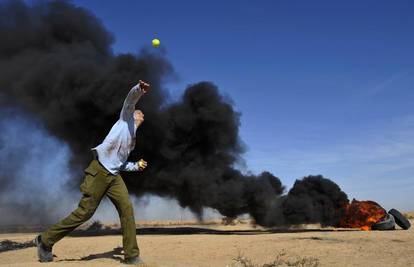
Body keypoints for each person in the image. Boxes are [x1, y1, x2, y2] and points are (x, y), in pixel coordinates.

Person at [35, 80, 151, 265]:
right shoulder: (125, 120)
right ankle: (45, 240)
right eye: (139, 111)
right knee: (85, 213)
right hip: (99, 172)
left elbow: (119, 164)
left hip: (113, 176)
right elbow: (129, 102)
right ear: (134, 114)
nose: (141, 113)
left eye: (141, 113)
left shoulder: (132, 139)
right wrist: (138, 90)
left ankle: (131, 255)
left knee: (127, 210)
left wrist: (135, 166)